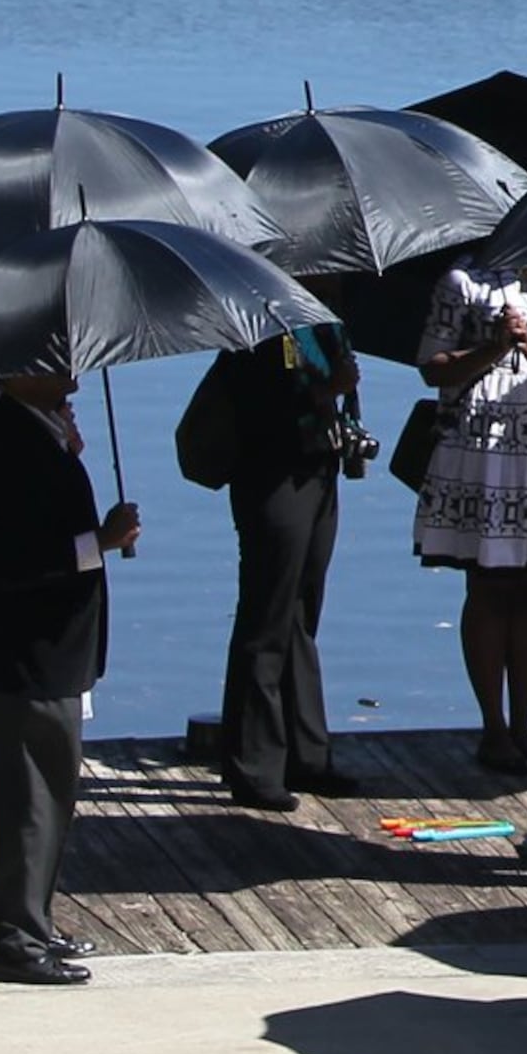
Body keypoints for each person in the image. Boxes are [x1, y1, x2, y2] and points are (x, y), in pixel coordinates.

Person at [0, 371, 142, 984]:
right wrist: (102, 541)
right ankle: (14, 939)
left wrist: (71, 456)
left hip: (49, 652)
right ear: (18, 374)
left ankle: (34, 920)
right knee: (29, 798)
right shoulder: (10, 440)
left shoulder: (41, 432)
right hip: (25, 652)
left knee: (51, 792)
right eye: (53, 356)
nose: (73, 366)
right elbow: (19, 558)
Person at [415, 256, 527, 775]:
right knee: (489, 585)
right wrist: (494, 347)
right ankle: (493, 728)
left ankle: (524, 728)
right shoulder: (464, 278)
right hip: (483, 449)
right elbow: (432, 367)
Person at [186, 323, 362, 811]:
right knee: (266, 614)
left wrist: (339, 394)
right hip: (271, 476)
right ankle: (252, 764)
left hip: (318, 472)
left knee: (302, 615)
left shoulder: (324, 328)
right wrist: (330, 387)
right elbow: (263, 410)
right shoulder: (261, 332)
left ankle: (306, 754)